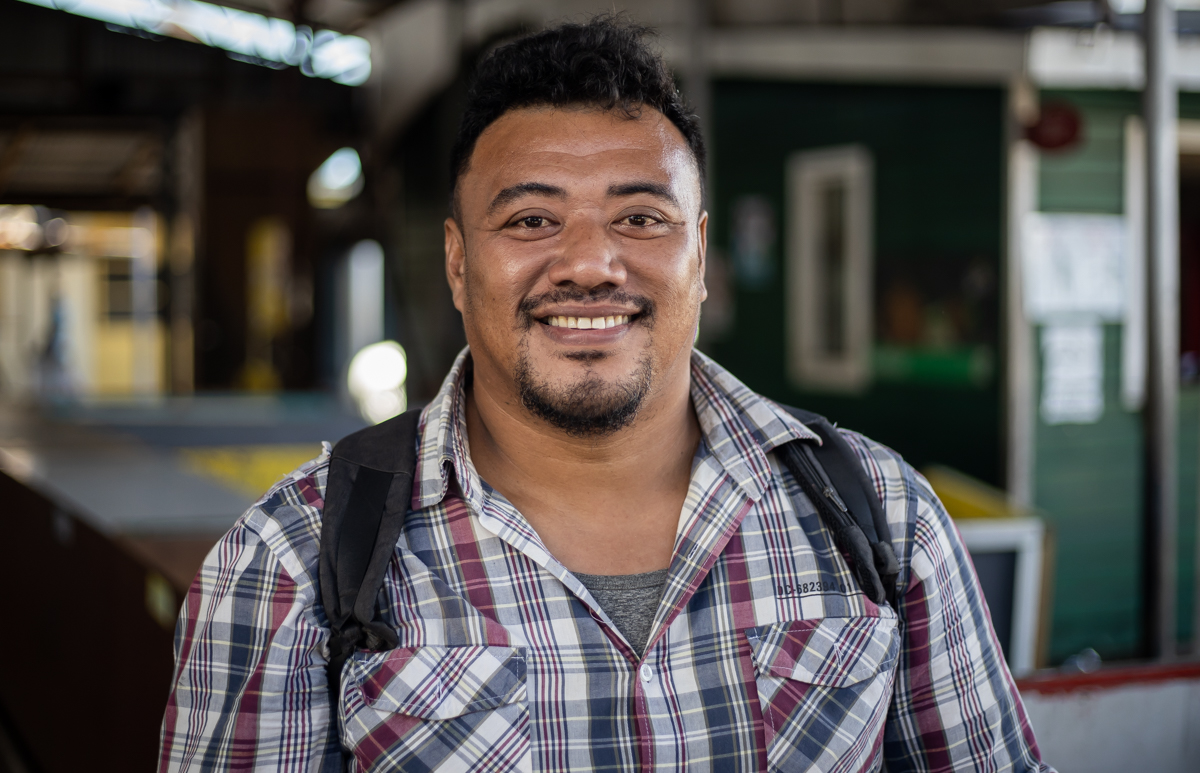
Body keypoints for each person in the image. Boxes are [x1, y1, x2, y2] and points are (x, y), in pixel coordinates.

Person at [159, 16, 1053, 773]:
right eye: (532, 219)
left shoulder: (882, 516)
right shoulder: (290, 562)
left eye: (640, 217)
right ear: (459, 264)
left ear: (699, 255)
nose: (590, 263)